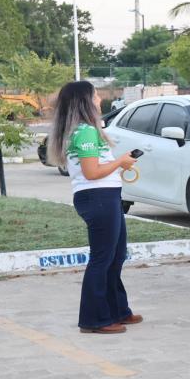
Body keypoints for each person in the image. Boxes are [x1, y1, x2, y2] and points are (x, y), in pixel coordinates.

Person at [47, 80, 140, 334]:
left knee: (116, 255)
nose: (100, 100)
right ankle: (94, 319)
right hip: (97, 197)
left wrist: (121, 163)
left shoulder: (88, 130)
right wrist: (120, 162)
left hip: (105, 195)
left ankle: (118, 310)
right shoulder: (85, 132)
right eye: (96, 95)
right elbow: (91, 172)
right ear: (85, 102)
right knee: (103, 258)